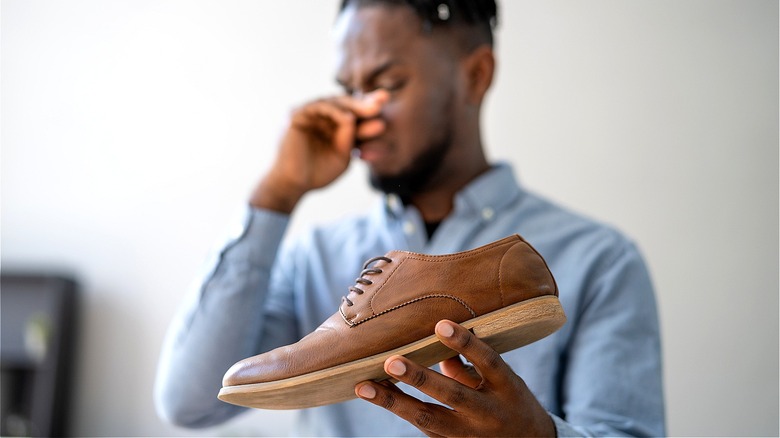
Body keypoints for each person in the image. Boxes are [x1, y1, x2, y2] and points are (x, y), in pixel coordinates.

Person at [154, 0, 665, 436]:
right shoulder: (315, 257)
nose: (358, 115)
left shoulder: (597, 259)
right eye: (349, 90)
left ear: (476, 76)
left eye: (388, 83)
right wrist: (277, 193)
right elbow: (191, 401)